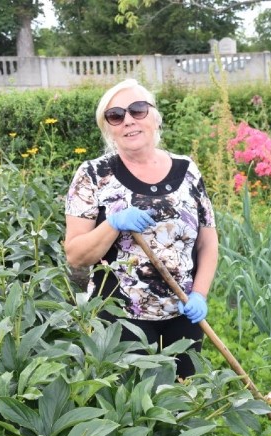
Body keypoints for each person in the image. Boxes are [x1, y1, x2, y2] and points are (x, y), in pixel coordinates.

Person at [64, 78, 219, 378]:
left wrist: (200, 293)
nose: (129, 121)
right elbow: (75, 255)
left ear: (154, 116)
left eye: (137, 110)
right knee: (133, 408)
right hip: (120, 322)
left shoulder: (187, 171)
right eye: (116, 115)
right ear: (107, 127)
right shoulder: (94, 176)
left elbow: (208, 242)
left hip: (183, 316)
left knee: (183, 401)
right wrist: (113, 224)